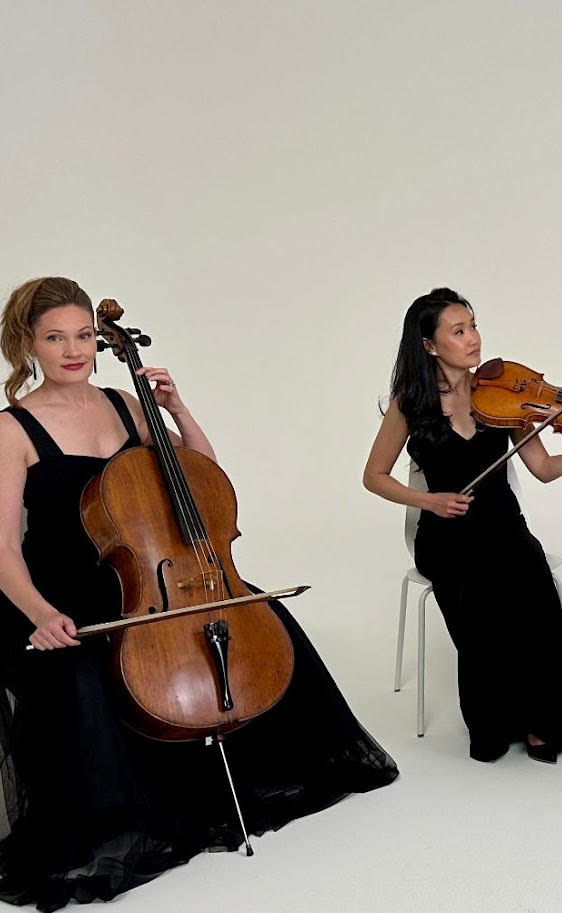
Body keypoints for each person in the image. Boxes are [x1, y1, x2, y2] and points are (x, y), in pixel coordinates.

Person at [0, 277, 397, 912]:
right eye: (55, 338)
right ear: (28, 343)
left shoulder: (127, 405)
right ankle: (115, 815)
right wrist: (43, 615)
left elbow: (201, 481)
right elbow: (3, 550)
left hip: (146, 573)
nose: (74, 351)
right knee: (80, 673)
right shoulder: (12, 429)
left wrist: (178, 410)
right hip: (61, 589)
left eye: (84, 336)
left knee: (260, 617)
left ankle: (240, 769)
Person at [363, 287, 562, 763]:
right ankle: (494, 721)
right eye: (458, 331)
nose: (473, 339)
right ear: (429, 345)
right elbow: (374, 476)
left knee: (528, 573)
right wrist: (428, 500)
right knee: (478, 587)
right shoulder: (410, 404)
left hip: (503, 524)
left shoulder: (504, 398)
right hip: (444, 535)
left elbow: (544, 469)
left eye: (473, 326)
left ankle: (544, 721)